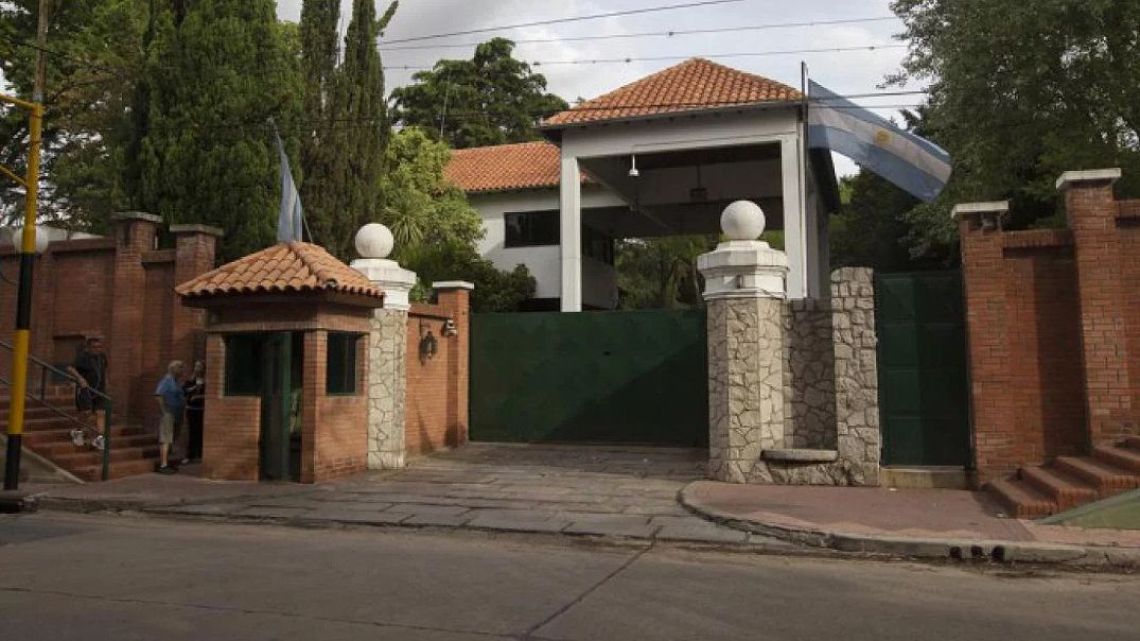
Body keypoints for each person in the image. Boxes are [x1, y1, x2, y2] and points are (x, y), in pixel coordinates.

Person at [66, 335, 108, 450]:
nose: (97, 349)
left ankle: (99, 438)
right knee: (86, 413)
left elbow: (104, 372)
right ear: (89, 347)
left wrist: (106, 385)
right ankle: (78, 431)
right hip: (85, 390)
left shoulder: (102, 357)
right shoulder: (83, 357)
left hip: (99, 390)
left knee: (101, 413)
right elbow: (70, 368)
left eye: (99, 347)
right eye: (94, 347)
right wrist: (80, 379)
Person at [154, 360, 186, 474]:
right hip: (169, 413)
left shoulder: (176, 381)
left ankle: (167, 461)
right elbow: (159, 395)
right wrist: (164, 411)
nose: (182, 371)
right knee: (166, 438)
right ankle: (163, 464)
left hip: (177, 414)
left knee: (172, 438)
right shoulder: (167, 380)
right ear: (174, 369)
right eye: (180, 368)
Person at [181, 360, 205, 464]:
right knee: (191, 432)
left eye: (199, 366)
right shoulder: (190, 380)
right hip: (191, 409)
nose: (197, 368)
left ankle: (200, 454)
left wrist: (198, 396)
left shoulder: (206, 380)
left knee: (201, 432)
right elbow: (184, 391)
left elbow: (209, 394)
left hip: (202, 410)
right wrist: (195, 387)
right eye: (196, 366)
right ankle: (189, 455)